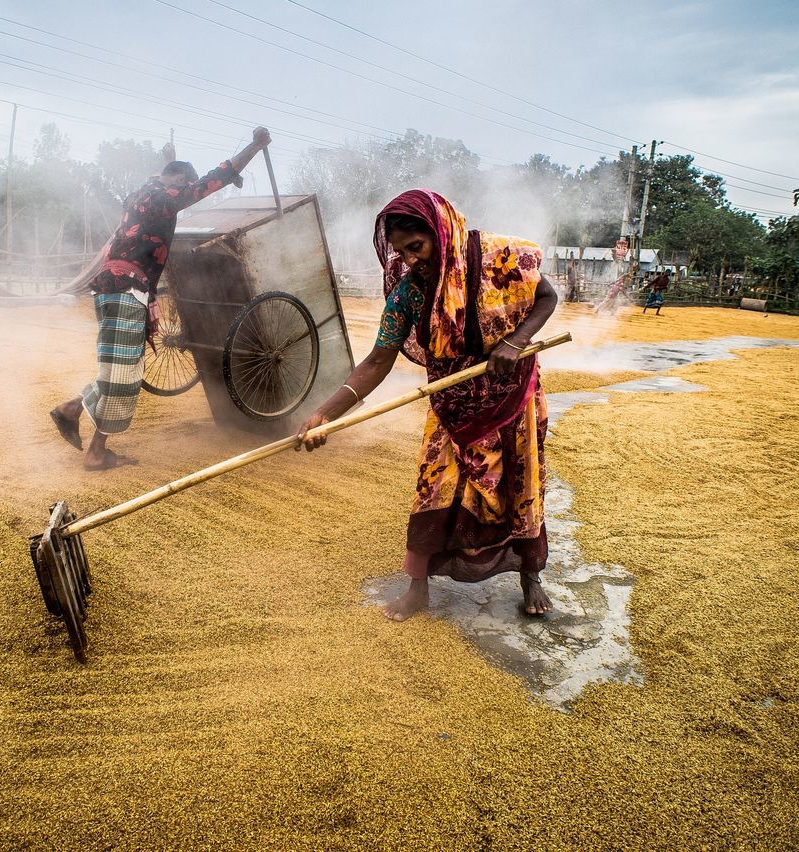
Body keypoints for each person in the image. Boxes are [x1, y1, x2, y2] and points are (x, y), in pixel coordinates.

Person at [296, 189, 558, 621]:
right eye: (400, 252)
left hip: (511, 395)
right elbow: (378, 359)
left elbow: (546, 297)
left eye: (415, 247)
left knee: (520, 485)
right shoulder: (409, 293)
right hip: (451, 403)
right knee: (433, 485)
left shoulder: (497, 256)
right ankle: (417, 589)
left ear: (439, 232)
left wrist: (515, 341)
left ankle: (531, 575)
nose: (409, 260)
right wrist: (327, 412)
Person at [51, 127, 272, 470]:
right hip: (128, 291)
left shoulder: (142, 192)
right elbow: (219, 176)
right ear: (180, 180)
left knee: (117, 366)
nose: (185, 191)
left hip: (108, 288)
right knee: (125, 375)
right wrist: (256, 146)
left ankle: (71, 409)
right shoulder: (168, 196)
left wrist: (170, 160)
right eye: (185, 184)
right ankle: (96, 452)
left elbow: (170, 172)